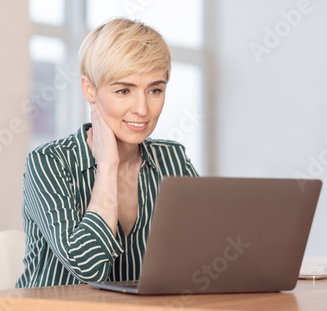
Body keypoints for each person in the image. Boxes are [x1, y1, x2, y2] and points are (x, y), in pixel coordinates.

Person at [16, 18, 198, 288]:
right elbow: (89, 269)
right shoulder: (49, 163)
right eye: (124, 90)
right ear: (90, 89)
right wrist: (107, 166)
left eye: (155, 90)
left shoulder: (172, 160)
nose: (142, 109)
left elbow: (205, 253)